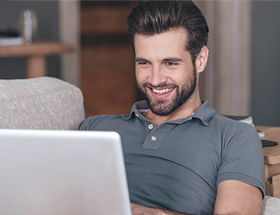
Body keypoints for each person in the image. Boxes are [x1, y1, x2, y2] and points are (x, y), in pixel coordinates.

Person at [79, 1, 265, 214]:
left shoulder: (234, 137)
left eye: (170, 63)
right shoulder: (94, 128)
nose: (155, 79)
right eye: (144, 63)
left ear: (200, 60)